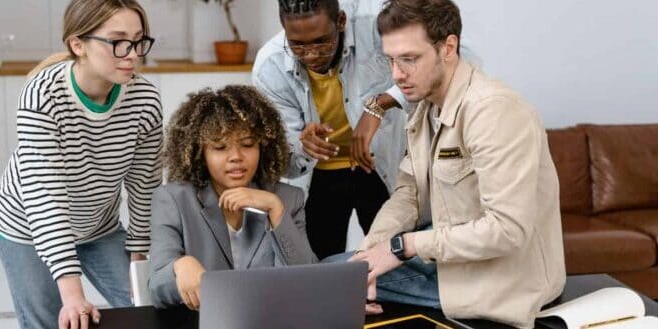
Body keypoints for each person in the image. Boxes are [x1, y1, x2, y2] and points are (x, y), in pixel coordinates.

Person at [349, 0, 566, 327]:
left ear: (448, 47)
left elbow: (508, 230)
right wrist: (367, 254)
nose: (396, 75)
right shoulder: (426, 107)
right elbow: (409, 195)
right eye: (391, 60)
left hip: (503, 281)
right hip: (454, 262)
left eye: (409, 59)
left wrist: (402, 246)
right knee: (341, 272)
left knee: (326, 286)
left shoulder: (494, 111)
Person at [0, 1, 162, 328]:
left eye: (139, 40)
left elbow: (145, 186)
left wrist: (139, 262)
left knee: (145, 310)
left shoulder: (145, 99)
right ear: (78, 44)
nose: (133, 54)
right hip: (27, 227)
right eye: (118, 41)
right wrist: (72, 293)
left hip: (99, 227)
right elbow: (45, 199)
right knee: (56, 321)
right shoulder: (41, 97)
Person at [253, 0, 410, 260]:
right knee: (320, 270)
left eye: (321, 42)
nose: (311, 55)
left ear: (341, 21)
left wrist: (380, 104)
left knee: (396, 263)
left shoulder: (378, 26)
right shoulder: (270, 67)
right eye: (298, 46)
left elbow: (436, 67)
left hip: (381, 165)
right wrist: (301, 146)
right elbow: (284, 161)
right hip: (319, 178)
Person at [148, 85, 318, 310]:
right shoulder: (173, 200)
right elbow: (157, 289)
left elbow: (308, 283)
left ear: (263, 147)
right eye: (220, 147)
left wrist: (275, 209)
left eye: (248, 145)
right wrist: (180, 266)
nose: (236, 157)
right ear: (200, 154)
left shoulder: (287, 198)